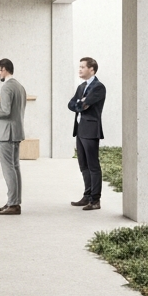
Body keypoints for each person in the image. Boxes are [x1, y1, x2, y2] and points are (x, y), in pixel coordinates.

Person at [0, 57, 26, 215]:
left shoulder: (6, 87)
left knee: (8, 169)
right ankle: (14, 202)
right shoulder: (20, 87)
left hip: (6, 133)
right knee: (15, 168)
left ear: (4, 70)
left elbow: (5, 111)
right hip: (16, 131)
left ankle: (13, 204)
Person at [68, 56, 106, 210]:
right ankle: (87, 195)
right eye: (79, 67)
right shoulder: (81, 87)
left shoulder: (98, 87)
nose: (80, 69)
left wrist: (81, 102)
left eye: (83, 67)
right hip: (80, 130)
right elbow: (72, 105)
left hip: (91, 130)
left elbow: (85, 104)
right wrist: (80, 102)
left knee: (93, 165)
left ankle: (95, 200)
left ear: (92, 69)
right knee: (83, 164)